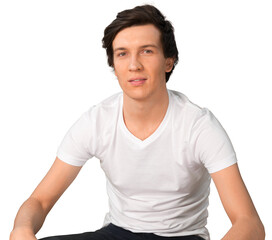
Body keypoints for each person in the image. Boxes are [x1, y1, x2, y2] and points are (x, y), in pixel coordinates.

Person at [10, 4, 265, 240]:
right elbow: (40, 201)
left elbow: (249, 223)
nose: (134, 65)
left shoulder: (198, 126)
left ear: (168, 61)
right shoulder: (97, 121)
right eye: (122, 54)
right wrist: (21, 229)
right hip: (117, 233)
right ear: (114, 65)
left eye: (147, 51)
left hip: (181, 237)